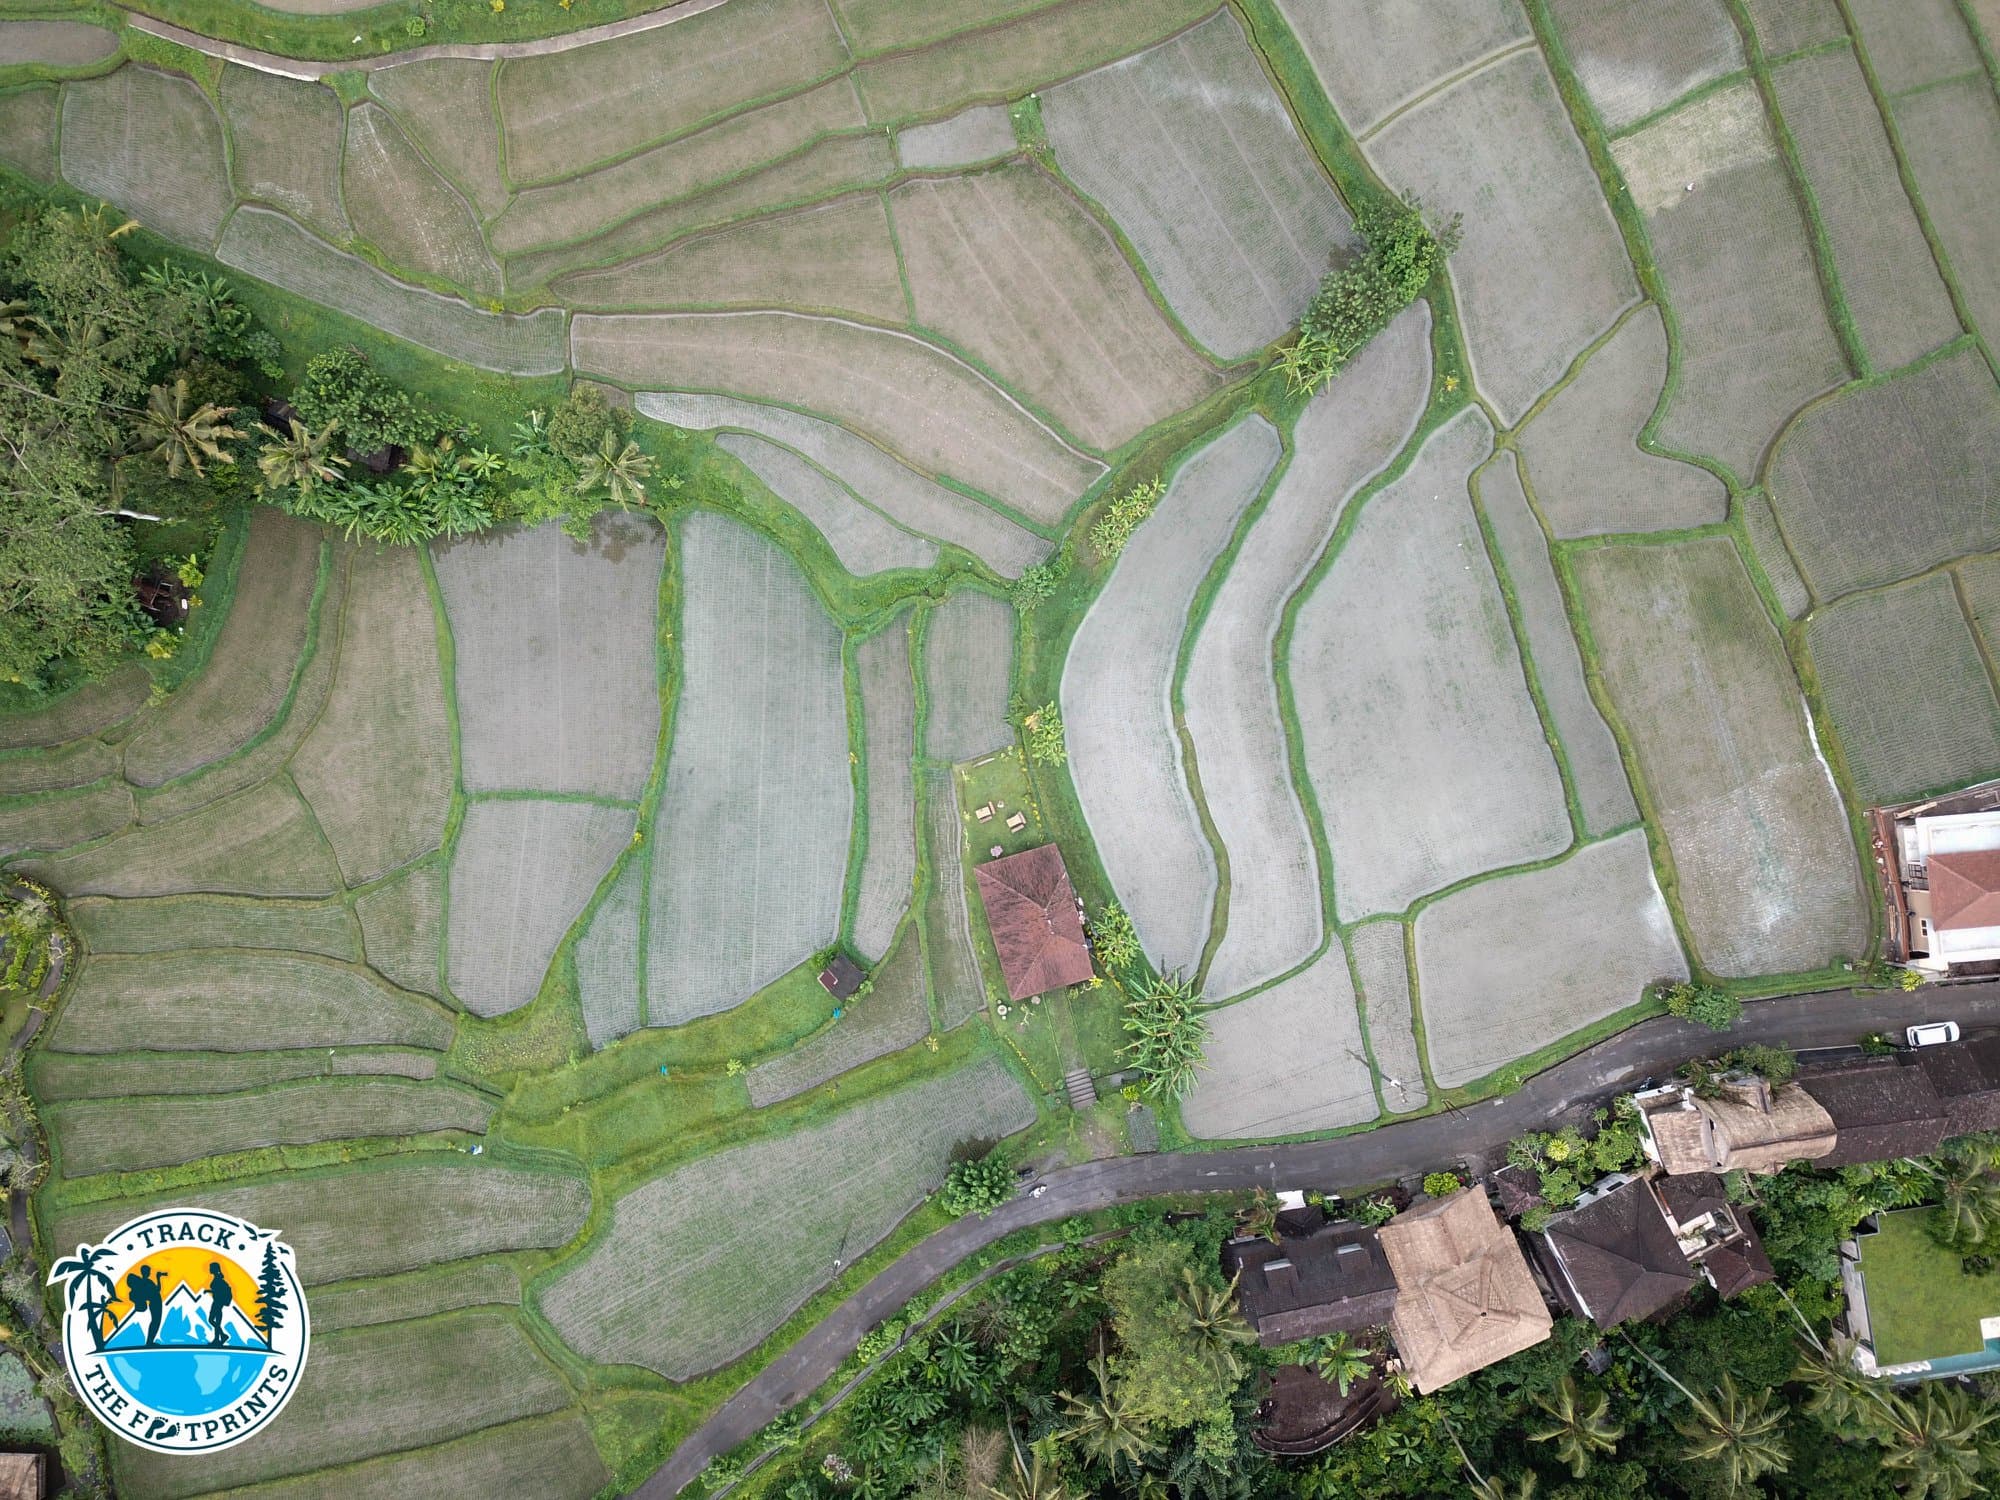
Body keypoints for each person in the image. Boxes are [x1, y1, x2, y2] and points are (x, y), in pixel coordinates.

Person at [125, 1266, 163, 1346]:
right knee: (155, 1322)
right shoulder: (147, 1282)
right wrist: (158, 1278)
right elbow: (157, 1289)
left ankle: (149, 1341)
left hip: (154, 1302)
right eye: (149, 1271)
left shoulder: (143, 1283)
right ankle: (149, 1342)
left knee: (154, 1322)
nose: (149, 1273)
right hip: (156, 1302)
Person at [205, 1263, 233, 1347]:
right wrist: (209, 1291)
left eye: (210, 1268)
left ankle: (219, 1338)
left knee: (212, 1320)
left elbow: (219, 1291)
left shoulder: (218, 1279)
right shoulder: (218, 1278)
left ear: (214, 1269)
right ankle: (220, 1337)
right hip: (217, 1302)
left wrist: (210, 1291)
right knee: (215, 1321)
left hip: (217, 1303)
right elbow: (217, 1290)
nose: (209, 1269)